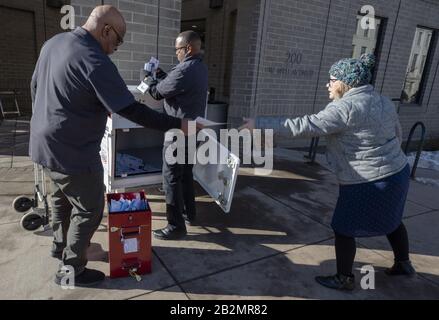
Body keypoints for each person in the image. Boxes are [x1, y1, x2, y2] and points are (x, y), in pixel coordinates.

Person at [29, 5, 193, 287]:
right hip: (73, 151)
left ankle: (60, 247)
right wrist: (179, 125)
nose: (115, 48)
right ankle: (72, 269)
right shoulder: (95, 58)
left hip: (43, 145)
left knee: (59, 199)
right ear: (105, 30)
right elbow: (133, 111)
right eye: (117, 40)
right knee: (90, 208)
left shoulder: (53, 42)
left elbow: (35, 86)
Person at [243, 54, 415, 291]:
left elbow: (302, 126)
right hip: (398, 172)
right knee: (393, 219)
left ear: (345, 83)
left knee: (343, 227)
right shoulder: (382, 100)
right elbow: (398, 134)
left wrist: (258, 123)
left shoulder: (345, 108)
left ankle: (344, 278)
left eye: (332, 79)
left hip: (367, 181)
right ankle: (404, 263)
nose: (328, 84)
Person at [145, 30, 208, 240]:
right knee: (186, 174)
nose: (177, 54)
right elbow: (175, 84)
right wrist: (161, 74)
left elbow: (157, 93)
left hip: (177, 133)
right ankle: (190, 214)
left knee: (170, 178)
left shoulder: (185, 69)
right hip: (192, 131)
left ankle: (175, 226)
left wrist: (148, 78)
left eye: (178, 50)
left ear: (188, 48)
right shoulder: (199, 67)